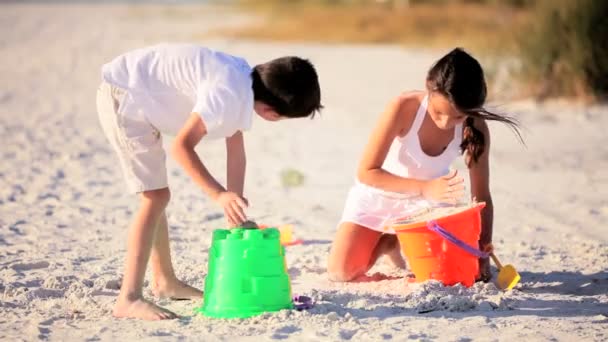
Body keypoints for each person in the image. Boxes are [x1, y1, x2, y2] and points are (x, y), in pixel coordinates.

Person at [96, 43, 322, 320]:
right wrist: (219, 195)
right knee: (155, 196)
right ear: (273, 114)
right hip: (124, 96)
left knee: (158, 196)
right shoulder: (227, 93)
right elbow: (181, 147)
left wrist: (234, 211)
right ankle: (128, 298)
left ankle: (165, 281)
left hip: (142, 96)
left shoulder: (242, 81)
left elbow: (236, 152)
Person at [327, 47, 520, 284]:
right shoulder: (403, 107)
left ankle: (394, 238)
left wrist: (482, 249)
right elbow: (367, 172)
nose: (446, 123)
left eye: (458, 117)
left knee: (448, 276)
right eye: (438, 112)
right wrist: (424, 187)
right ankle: (388, 241)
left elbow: (481, 197)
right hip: (379, 194)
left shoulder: (476, 127)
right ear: (428, 85)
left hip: (427, 208)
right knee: (342, 273)